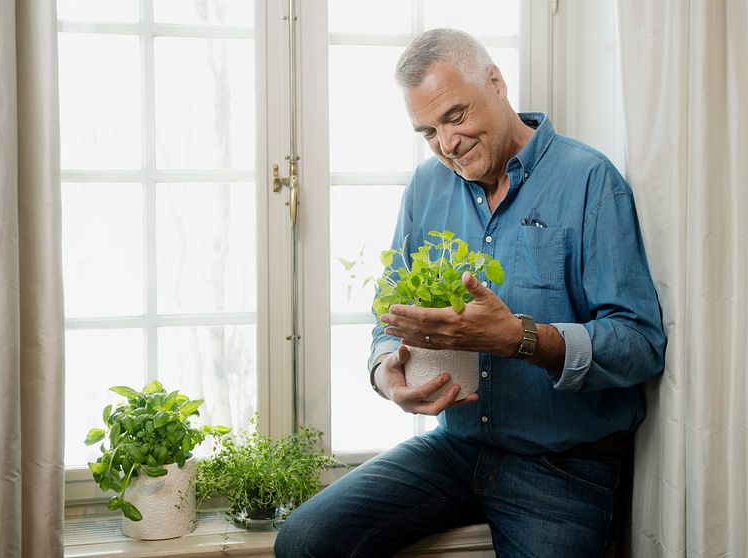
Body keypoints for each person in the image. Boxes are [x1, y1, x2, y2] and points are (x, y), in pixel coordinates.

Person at [275, 28, 665, 557]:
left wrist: (519, 338)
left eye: (456, 117)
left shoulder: (590, 181)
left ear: (497, 84)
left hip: (564, 466)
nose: (447, 144)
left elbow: (639, 343)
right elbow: (388, 315)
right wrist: (386, 370)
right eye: (428, 132)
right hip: (454, 448)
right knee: (302, 542)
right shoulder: (425, 188)